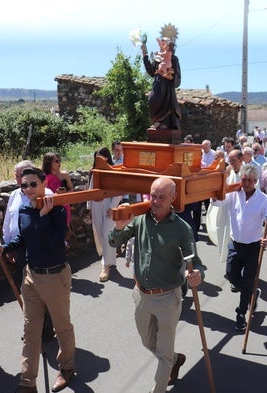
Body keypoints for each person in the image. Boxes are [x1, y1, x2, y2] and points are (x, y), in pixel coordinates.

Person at [108, 178, 203, 392]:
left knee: (163, 355)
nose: (156, 201)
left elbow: (195, 262)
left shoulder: (182, 228)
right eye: (153, 196)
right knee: (147, 342)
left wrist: (197, 274)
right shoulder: (141, 219)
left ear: (173, 198)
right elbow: (114, 242)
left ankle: (161, 381)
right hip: (141, 295)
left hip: (168, 298)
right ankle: (176, 360)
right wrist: (118, 227)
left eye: (161, 197)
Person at [0, 167, 75, 393]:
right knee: (30, 330)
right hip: (31, 276)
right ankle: (28, 382)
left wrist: (44, 217)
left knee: (62, 326)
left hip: (55, 276)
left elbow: (57, 243)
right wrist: (6, 247)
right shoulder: (25, 209)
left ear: (42, 182)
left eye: (32, 184)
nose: (28, 189)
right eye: (24, 185)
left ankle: (67, 368)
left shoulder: (56, 208)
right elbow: (23, 238)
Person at [211, 164, 267, 330]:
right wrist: (215, 194)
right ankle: (252, 294)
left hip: (253, 246)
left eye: (249, 180)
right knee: (231, 274)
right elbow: (218, 203)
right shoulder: (233, 194)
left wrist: (266, 237)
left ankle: (241, 313)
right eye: (243, 179)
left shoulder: (263, 199)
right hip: (235, 244)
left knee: (247, 281)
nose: (245, 183)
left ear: (255, 181)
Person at [3, 160, 55, 341]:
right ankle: (32, 327)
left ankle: (47, 329)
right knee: (26, 289)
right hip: (19, 247)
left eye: (23, 176)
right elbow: (9, 220)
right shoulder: (15, 195)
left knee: (42, 291)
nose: (20, 181)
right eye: (18, 177)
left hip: (38, 247)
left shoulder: (45, 195)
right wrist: (7, 244)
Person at [87, 148, 123, 282]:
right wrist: (89, 207)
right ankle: (107, 258)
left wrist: (112, 207)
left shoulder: (114, 172)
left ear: (107, 158)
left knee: (108, 234)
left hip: (109, 207)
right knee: (99, 235)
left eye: (100, 157)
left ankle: (105, 266)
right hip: (96, 206)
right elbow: (90, 189)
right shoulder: (94, 172)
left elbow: (119, 191)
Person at [142, 36, 181, 130]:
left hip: (166, 87)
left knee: (166, 104)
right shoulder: (157, 58)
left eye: (164, 42)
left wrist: (167, 73)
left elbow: (176, 74)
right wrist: (144, 55)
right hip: (157, 84)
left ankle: (163, 123)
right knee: (152, 100)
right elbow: (151, 71)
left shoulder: (173, 58)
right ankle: (157, 121)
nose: (162, 44)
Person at [42, 152, 73, 227]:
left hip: (64, 205)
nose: (59, 163)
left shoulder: (64, 175)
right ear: (49, 163)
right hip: (49, 206)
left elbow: (71, 190)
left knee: (64, 229)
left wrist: (64, 193)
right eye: (56, 161)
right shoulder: (42, 176)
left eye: (59, 160)